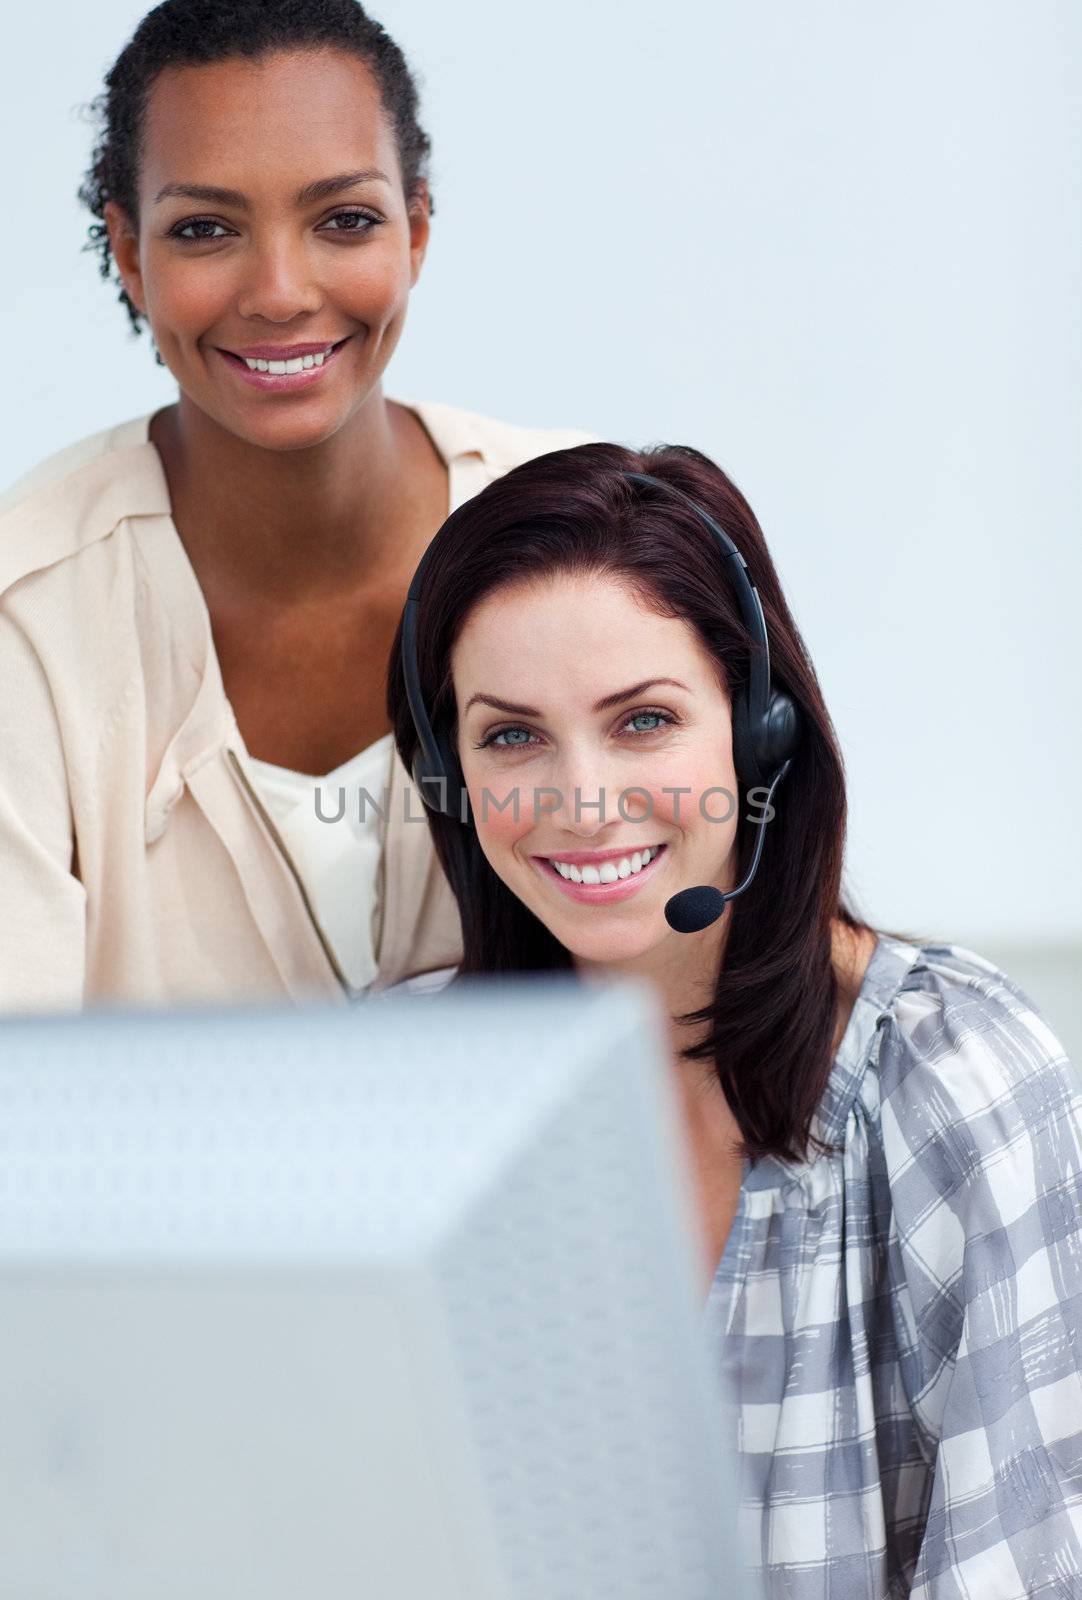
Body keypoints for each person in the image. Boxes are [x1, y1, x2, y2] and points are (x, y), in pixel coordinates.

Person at [386, 441, 1082, 1597]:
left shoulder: (949, 1077)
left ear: (757, 734)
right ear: (447, 771)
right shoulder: (403, 1086)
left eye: (642, 721)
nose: (582, 802)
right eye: (511, 735)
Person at [0, 0, 590, 1013]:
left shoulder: (595, 543)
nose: (279, 291)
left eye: (345, 219)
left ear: (417, 230)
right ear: (132, 254)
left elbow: (727, 977)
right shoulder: (26, 614)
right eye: (203, 229)